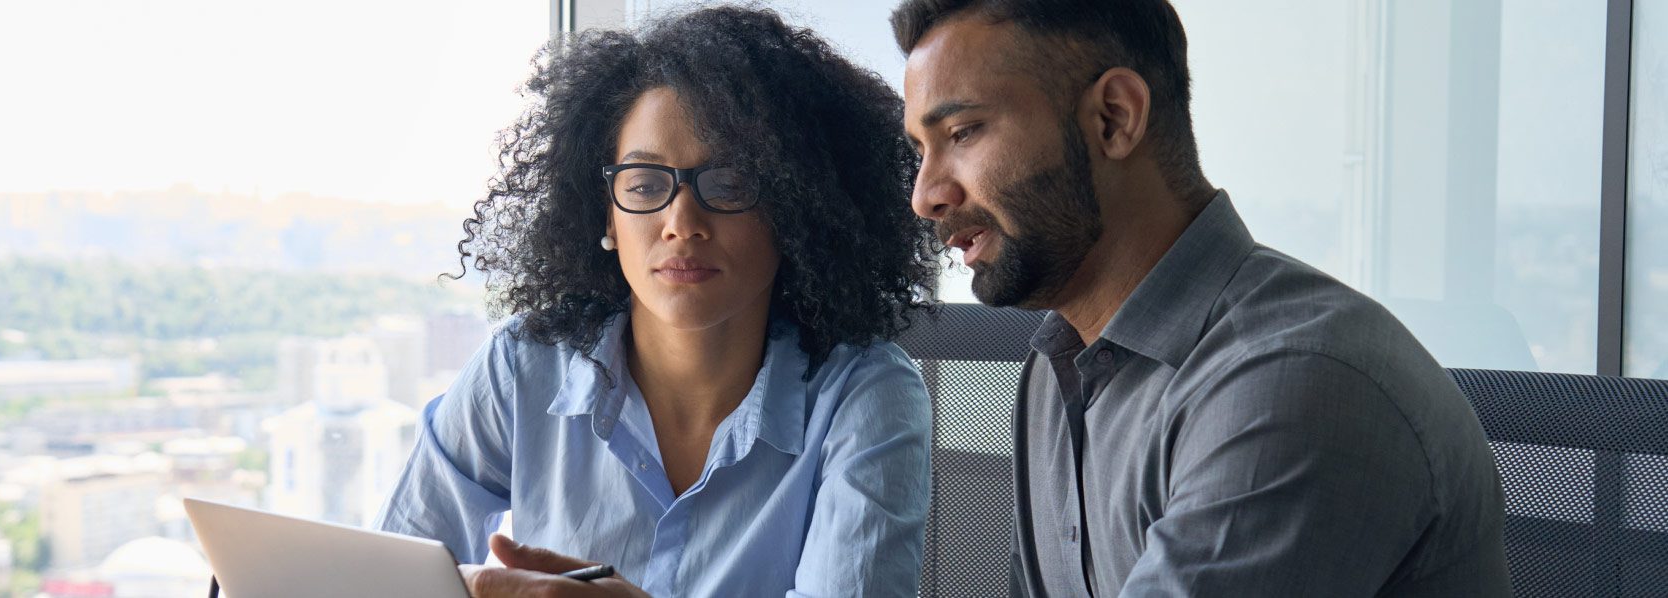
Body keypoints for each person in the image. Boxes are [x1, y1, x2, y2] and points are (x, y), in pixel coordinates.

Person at [891, 0, 1511, 595]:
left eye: (963, 131)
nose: (926, 196)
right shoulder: (1058, 368)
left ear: (1114, 117)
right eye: (922, 150)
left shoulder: (1291, 381)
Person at [376, 6, 941, 597]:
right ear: (607, 216)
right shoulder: (524, 366)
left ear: (797, 210)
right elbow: (388, 574)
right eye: (645, 185)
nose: (681, 223)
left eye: (727, 183)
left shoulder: (866, 395)